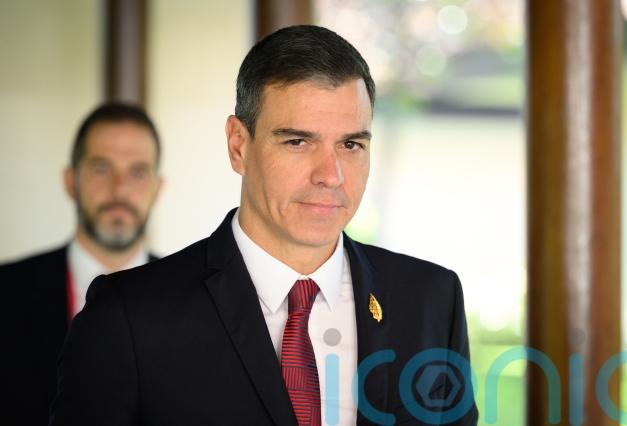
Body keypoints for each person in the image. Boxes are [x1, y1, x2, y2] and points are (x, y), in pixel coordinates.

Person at [50, 26, 478, 425]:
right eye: (298, 141)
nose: (331, 176)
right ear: (238, 146)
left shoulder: (431, 301)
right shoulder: (129, 317)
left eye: (350, 144)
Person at [0, 103, 163, 425]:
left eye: (138, 172)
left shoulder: (198, 299)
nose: (120, 188)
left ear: (158, 188)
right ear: (70, 181)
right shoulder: (6, 292)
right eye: (102, 168)